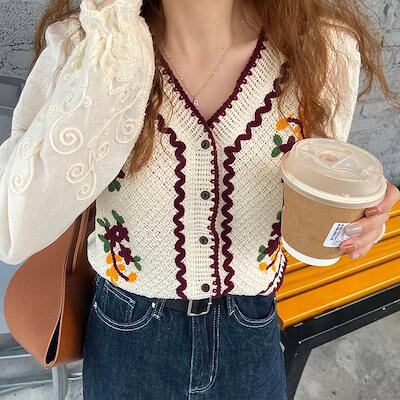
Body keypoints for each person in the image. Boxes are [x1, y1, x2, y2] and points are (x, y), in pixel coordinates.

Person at [1, 0, 399, 399]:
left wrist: (362, 211)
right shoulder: (88, 45)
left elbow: (322, 180)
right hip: (128, 334)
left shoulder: (323, 47)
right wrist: (112, 38)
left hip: (251, 333)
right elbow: (14, 225)